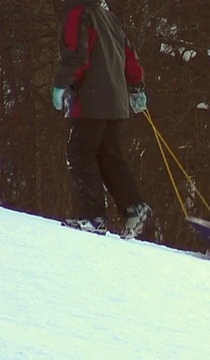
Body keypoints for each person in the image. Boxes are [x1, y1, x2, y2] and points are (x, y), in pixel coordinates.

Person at [52, 0, 151, 239]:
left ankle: (92, 216)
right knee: (109, 156)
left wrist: (61, 85)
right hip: (115, 100)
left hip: (91, 99)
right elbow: (129, 56)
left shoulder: (78, 14)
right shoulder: (109, 17)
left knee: (80, 153)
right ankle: (134, 207)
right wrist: (136, 87)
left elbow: (76, 54)